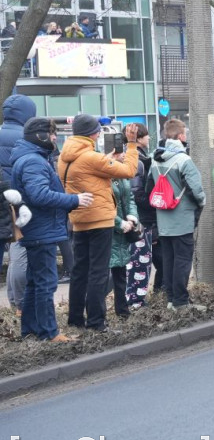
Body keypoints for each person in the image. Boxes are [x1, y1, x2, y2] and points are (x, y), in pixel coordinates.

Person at [12, 118, 93, 342]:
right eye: (52, 133)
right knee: (46, 284)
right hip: (42, 231)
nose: (56, 137)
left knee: (35, 283)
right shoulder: (33, 162)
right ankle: (49, 333)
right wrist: (74, 200)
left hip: (38, 229)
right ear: (40, 136)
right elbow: (39, 195)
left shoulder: (32, 158)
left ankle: (30, 330)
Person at [59, 115, 140, 333]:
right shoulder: (91, 157)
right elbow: (129, 171)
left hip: (79, 218)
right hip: (100, 219)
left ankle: (76, 319)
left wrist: (107, 158)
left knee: (80, 271)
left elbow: (89, 171)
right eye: (97, 131)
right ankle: (96, 322)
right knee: (98, 272)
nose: (98, 134)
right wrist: (131, 144)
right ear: (91, 133)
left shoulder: (65, 156)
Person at [147, 118, 205, 311]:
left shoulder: (155, 159)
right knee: (183, 260)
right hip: (182, 218)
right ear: (181, 136)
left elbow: (149, 188)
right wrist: (202, 203)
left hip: (163, 219)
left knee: (169, 259)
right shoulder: (184, 160)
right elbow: (197, 190)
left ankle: (171, 299)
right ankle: (181, 302)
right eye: (185, 134)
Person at [0, 93, 35, 311]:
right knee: (19, 253)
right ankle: (18, 304)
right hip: (18, 205)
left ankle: (14, 303)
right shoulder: (26, 138)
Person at [128, 124, 156, 307]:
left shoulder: (136, 157)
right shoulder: (139, 160)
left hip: (138, 217)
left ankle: (134, 299)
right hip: (141, 219)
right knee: (140, 261)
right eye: (146, 136)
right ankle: (136, 301)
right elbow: (137, 192)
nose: (149, 139)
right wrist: (152, 204)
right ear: (139, 138)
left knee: (137, 261)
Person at [109, 158, 138, 319]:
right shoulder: (103, 174)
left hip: (124, 229)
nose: (123, 156)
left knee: (120, 271)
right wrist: (119, 223)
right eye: (119, 153)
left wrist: (132, 217)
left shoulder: (121, 174)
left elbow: (130, 198)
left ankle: (122, 310)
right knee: (107, 273)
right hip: (110, 230)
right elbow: (103, 205)